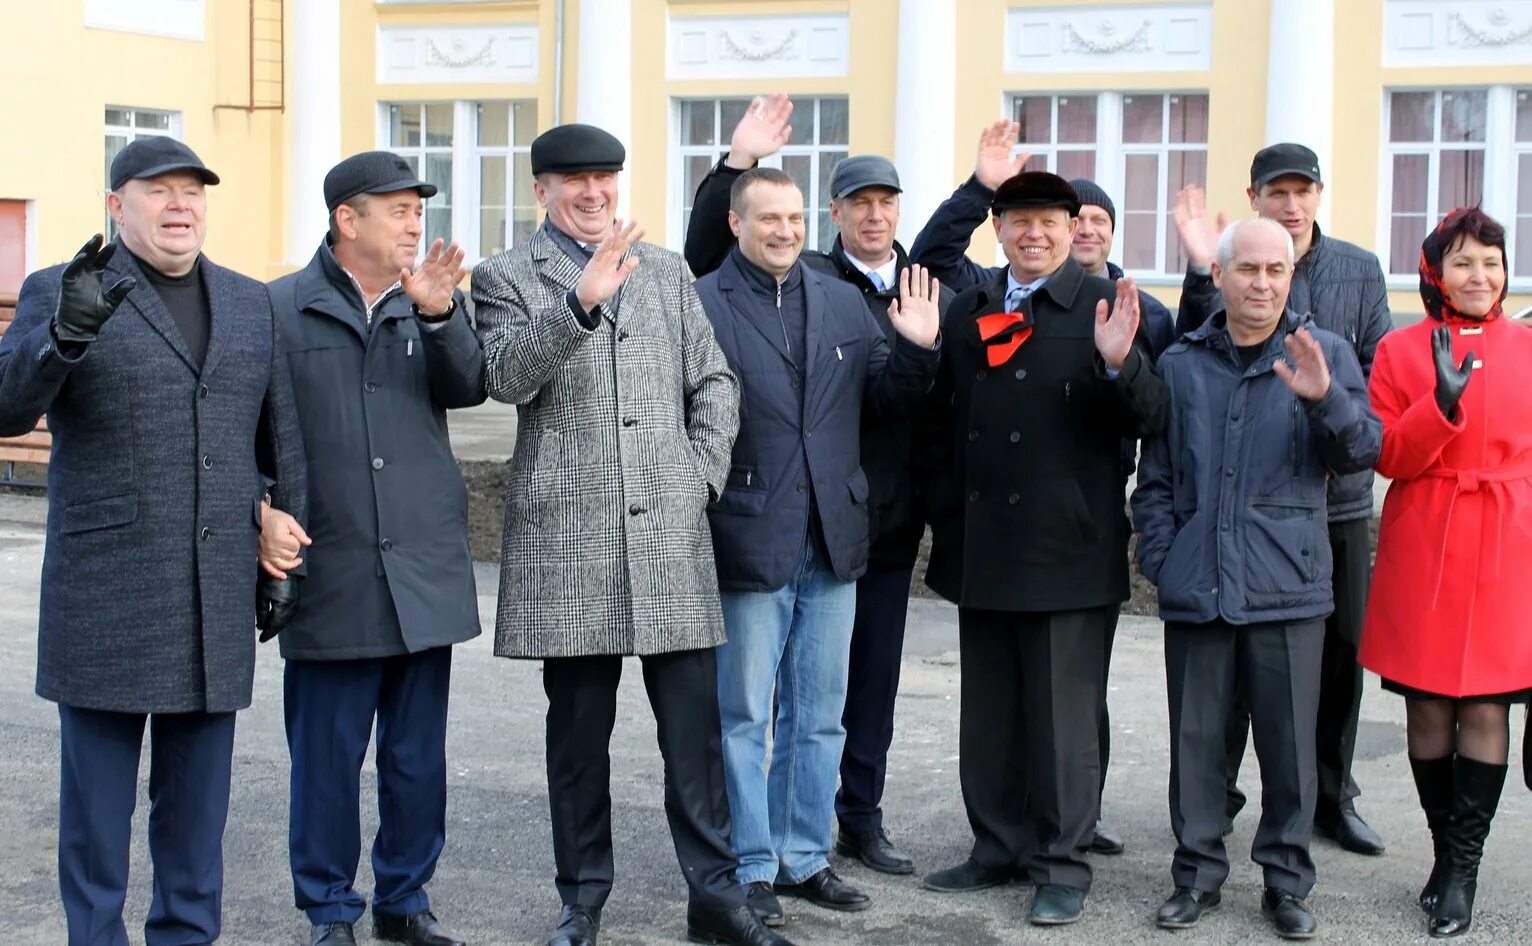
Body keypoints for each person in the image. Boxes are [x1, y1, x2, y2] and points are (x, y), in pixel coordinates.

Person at [471, 124, 790, 946]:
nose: (593, 192)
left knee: (695, 736)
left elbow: (713, 380)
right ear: (540, 188)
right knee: (578, 742)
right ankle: (582, 902)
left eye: (605, 176)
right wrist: (579, 303)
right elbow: (505, 377)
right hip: (568, 545)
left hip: (669, 536)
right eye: (573, 180)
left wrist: (699, 476)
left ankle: (716, 897)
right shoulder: (505, 275)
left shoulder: (668, 271)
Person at [0, 136, 307, 946]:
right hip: (106, 593)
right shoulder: (66, 289)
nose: (181, 206)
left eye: (193, 192)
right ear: (116, 206)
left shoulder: (248, 301)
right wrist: (61, 338)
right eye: (158, 191)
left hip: (213, 596)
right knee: (97, 822)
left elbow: (279, 442)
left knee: (196, 819)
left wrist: (283, 543)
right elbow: (5, 410)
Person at [684, 93, 951, 876]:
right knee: (743, 717)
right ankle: (752, 864)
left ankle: (806, 856)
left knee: (821, 716)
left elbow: (887, 398)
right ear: (737, 224)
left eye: (796, 220)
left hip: (834, 541)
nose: (785, 232)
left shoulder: (840, 301)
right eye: (770, 219)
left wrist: (919, 351)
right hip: (750, 537)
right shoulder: (704, 302)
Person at [909, 119, 1173, 861]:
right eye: (1019, 220)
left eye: (1049, 222)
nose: (1034, 234)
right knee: (989, 715)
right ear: (998, 230)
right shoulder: (969, 310)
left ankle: (1062, 860)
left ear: (1073, 231)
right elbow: (937, 425)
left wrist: (1123, 366)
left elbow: (1154, 418)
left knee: (1063, 723)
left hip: (1069, 551)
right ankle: (995, 847)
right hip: (985, 550)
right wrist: (945, 510)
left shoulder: (1108, 306)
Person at [1132, 217, 1381, 939]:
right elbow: (1156, 480)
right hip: (1198, 584)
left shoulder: (1322, 351)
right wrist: (1162, 557)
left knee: (1289, 750)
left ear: (1291, 276)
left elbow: (1366, 449)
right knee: (1199, 744)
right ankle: (1197, 875)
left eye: (1277, 270)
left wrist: (1324, 398)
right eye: (1249, 270)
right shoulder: (1182, 363)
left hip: (1288, 586)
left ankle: (1286, 881)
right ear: (1222, 275)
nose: (1264, 283)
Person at [267, 151, 486, 946]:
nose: (413, 222)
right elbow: (254, 433)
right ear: (345, 219)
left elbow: (468, 388)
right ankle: (329, 909)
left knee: (416, 760)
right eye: (395, 209)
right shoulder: (277, 311)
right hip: (333, 571)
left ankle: (405, 900)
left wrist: (436, 316)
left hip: (422, 572)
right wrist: (263, 512)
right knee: (326, 764)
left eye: (417, 208)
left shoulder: (425, 301)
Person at [1173, 143, 1392, 854]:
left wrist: (1333, 403)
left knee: (1329, 670)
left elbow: (1374, 392)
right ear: (1257, 198)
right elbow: (1192, 374)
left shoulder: (1358, 270)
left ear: (1319, 198)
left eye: (1304, 192)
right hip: (1237, 507)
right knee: (1225, 686)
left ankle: (1332, 798)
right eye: (1278, 192)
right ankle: (1218, 807)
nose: (1292, 204)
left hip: (1332, 502)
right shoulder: (1231, 265)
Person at [1358, 208, 1532, 938]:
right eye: (1463, 262)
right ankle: (1440, 851)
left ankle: (1464, 867)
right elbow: (1389, 455)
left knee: (1488, 708)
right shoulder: (1400, 350)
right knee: (1428, 708)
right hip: (1427, 539)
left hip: (1510, 543)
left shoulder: (1528, 346)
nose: (1479, 276)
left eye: (1491, 261)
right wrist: (1441, 404)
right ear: (1435, 272)